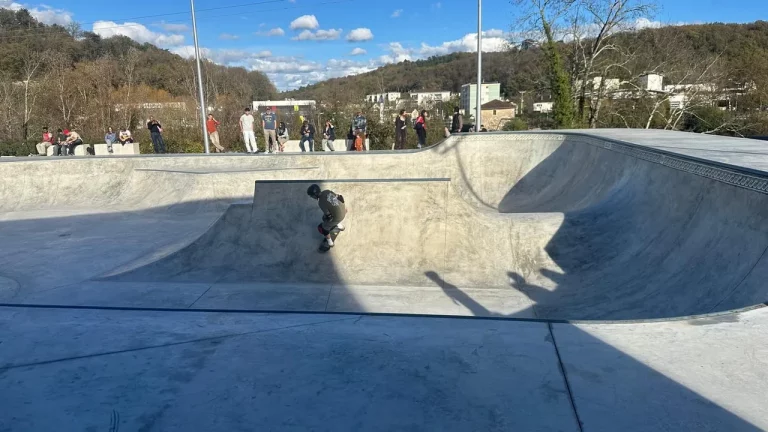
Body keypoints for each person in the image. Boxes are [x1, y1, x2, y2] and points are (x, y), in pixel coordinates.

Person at [307, 184, 346, 248]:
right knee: (332, 214)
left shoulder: (320, 202)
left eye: (311, 196)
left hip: (339, 216)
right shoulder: (326, 191)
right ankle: (340, 226)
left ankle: (330, 243)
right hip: (344, 210)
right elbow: (339, 197)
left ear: (314, 195)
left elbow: (329, 216)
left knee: (323, 228)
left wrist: (325, 221)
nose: (312, 197)